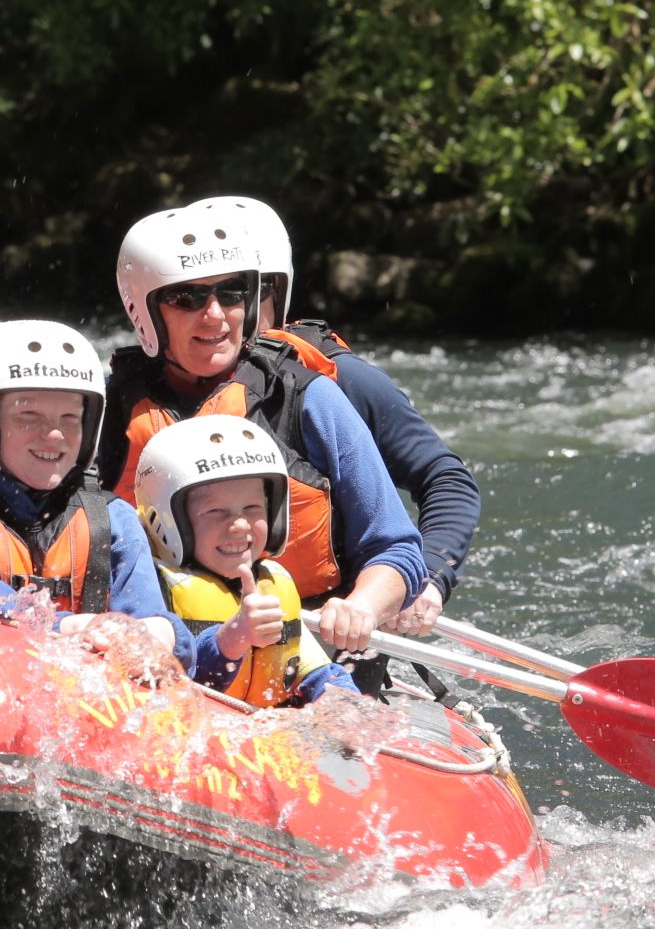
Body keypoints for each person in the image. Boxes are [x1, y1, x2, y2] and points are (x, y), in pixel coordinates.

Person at [96, 207, 428, 659]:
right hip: (162, 655)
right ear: (146, 312)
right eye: (186, 298)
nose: (214, 316)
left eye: (231, 293)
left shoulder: (307, 398)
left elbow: (396, 546)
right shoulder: (107, 410)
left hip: (305, 657)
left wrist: (362, 607)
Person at [190, 195, 480, 632]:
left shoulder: (333, 380)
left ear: (277, 292)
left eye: (243, 289)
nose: (224, 311)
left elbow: (445, 479)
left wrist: (427, 580)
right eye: (194, 295)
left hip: (325, 625)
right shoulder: (150, 390)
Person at [0, 320, 187, 661]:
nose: (53, 435)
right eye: (28, 415)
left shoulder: (113, 518)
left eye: (69, 418)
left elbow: (147, 617)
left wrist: (162, 634)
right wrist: (67, 626)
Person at [133, 418, 358, 707]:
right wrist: (231, 639)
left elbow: (316, 672)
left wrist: (349, 706)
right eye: (215, 511)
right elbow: (162, 686)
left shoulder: (272, 585)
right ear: (164, 515)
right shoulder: (149, 590)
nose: (240, 525)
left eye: (253, 508)